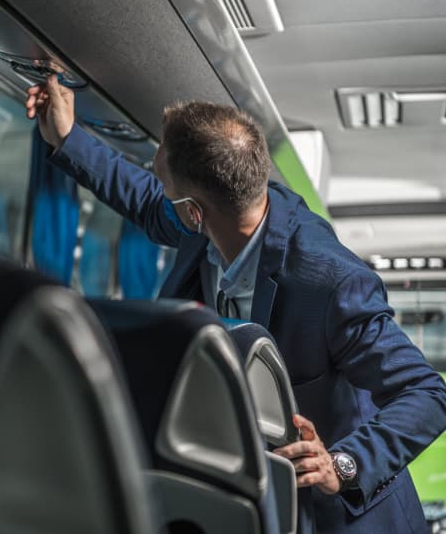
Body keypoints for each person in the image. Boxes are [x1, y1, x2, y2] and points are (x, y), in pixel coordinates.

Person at [25, 75, 446, 533]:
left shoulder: (331, 280)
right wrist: (66, 135)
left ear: (194, 209)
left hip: (344, 518)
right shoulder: (211, 216)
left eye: (163, 179)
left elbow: (427, 394)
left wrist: (342, 464)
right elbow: (145, 202)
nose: (156, 182)